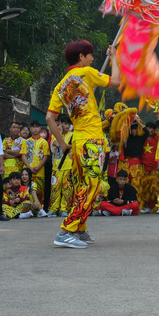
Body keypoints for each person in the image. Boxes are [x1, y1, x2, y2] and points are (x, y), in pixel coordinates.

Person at [46, 39, 120, 248]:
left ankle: (80, 228)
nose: (93, 58)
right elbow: (116, 81)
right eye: (90, 55)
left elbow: (50, 118)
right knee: (91, 186)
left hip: (79, 140)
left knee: (82, 185)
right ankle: (66, 231)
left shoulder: (61, 85)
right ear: (81, 57)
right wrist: (114, 57)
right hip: (91, 141)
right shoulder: (86, 73)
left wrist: (62, 143)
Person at [48, 114, 74, 217]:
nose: (66, 126)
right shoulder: (55, 134)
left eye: (68, 124)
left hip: (69, 166)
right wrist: (58, 130)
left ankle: (64, 209)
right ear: (60, 123)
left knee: (67, 188)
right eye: (64, 123)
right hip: (57, 166)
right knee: (55, 187)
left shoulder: (72, 135)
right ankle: (53, 208)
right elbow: (56, 145)